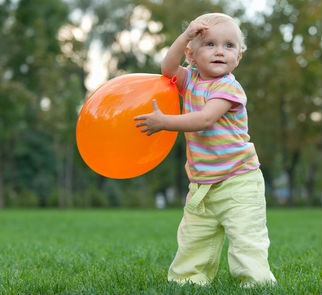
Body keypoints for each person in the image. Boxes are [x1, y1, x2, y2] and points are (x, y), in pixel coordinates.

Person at [134, 12, 276, 287]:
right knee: (195, 238)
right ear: (193, 54)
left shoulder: (229, 88)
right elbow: (167, 68)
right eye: (210, 44)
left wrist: (165, 122)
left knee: (246, 239)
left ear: (239, 56)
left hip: (239, 180)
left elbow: (204, 119)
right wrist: (186, 35)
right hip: (201, 185)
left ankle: (256, 283)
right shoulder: (191, 81)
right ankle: (188, 280)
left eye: (229, 46)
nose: (220, 51)